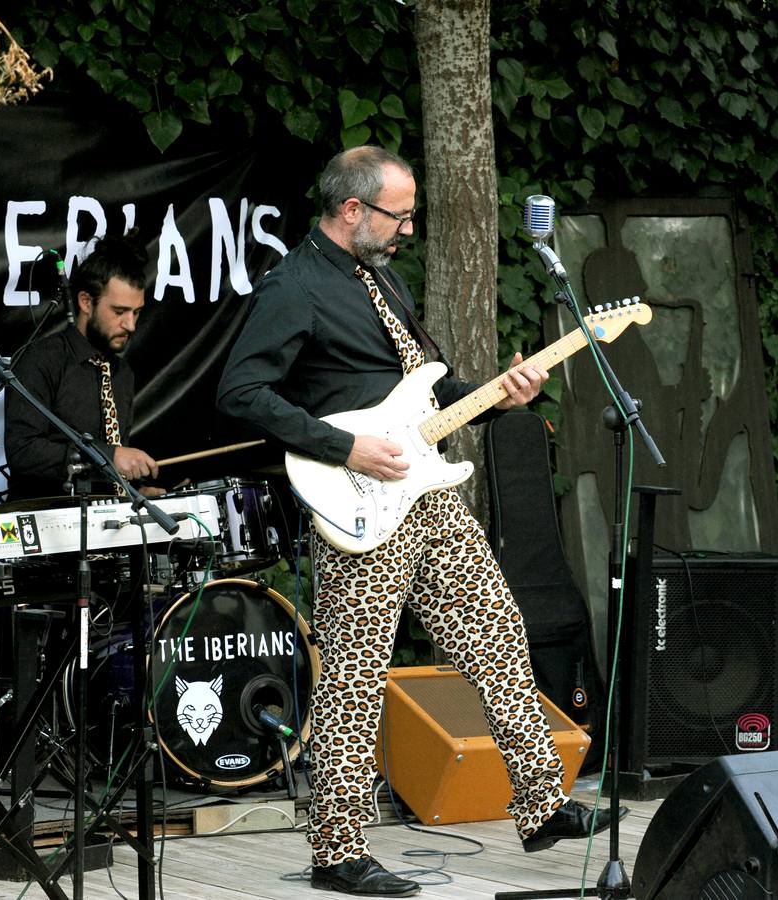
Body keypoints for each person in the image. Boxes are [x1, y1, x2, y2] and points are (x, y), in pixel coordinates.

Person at [218, 146, 618, 897]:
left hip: (424, 491)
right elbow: (240, 392)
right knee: (356, 674)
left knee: (496, 628)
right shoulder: (293, 287)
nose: (406, 228)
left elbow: (422, 394)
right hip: (357, 501)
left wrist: (501, 391)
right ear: (351, 211)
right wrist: (345, 447)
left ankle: (539, 803)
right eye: (397, 214)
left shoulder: (381, 278)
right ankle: (336, 850)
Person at [5, 232, 160, 500]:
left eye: (136, 313)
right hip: (49, 521)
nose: (131, 325)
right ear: (86, 302)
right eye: (119, 311)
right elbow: (23, 450)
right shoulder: (41, 360)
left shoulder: (122, 374)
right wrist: (109, 456)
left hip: (105, 523)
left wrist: (133, 494)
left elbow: (108, 472)